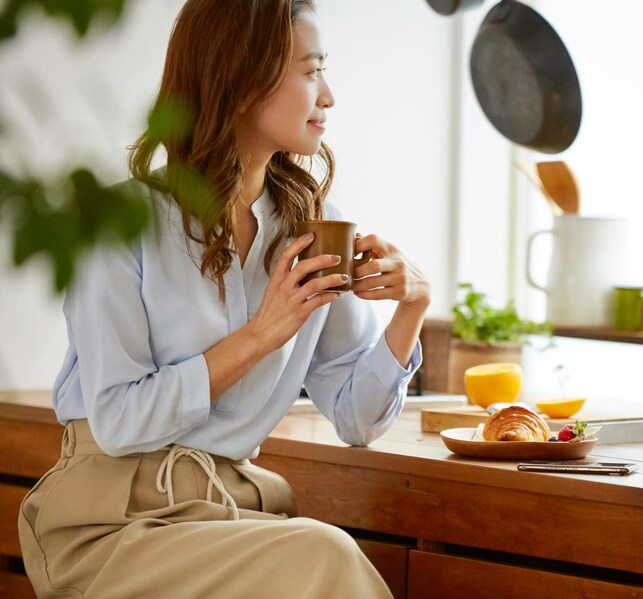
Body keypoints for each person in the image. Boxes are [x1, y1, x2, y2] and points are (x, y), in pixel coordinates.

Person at [18, 0, 430, 596]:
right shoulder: (120, 224)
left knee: (316, 555)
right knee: (323, 554)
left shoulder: (314, 227)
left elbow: (356, 419)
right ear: (241, 83)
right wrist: (262, 334)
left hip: (230, 512)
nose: (329, 96)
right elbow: (119, 422)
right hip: (111, 523)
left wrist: (411, 308)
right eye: (311, 71)